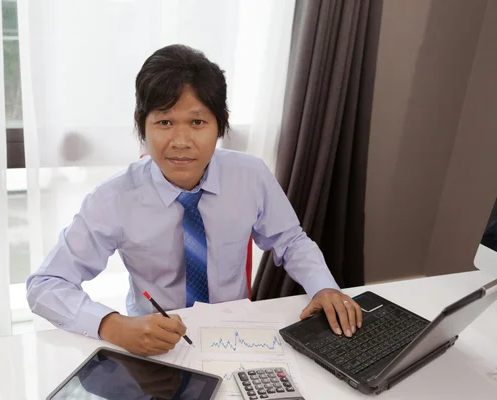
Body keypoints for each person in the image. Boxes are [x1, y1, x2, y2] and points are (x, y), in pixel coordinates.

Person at [26, 44, 362, 357]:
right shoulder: (114, 198)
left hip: (237, 336)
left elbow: (290, 240)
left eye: (197, 122)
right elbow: (45, 286)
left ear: (219, 126)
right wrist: (113, 326)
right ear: (143, 126)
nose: (181, 141)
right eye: (165, 122)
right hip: (155, 342)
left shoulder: (250, 175)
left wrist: (323, 287)